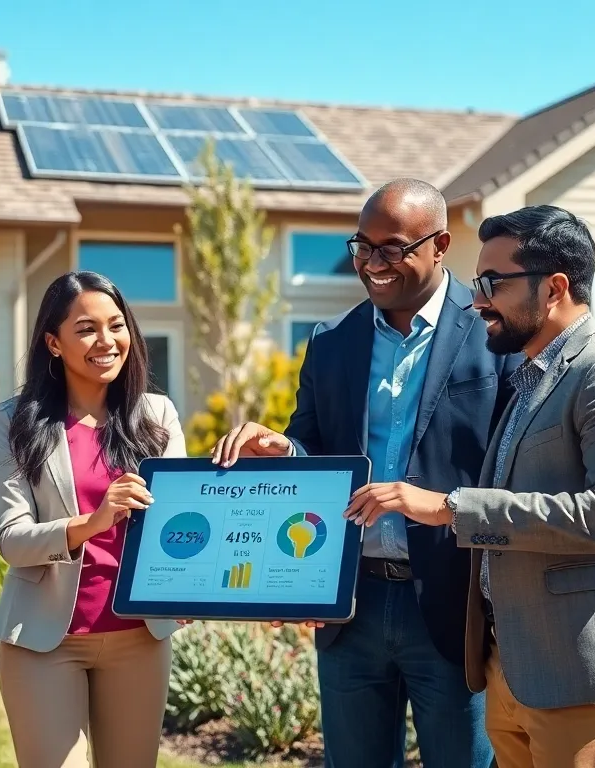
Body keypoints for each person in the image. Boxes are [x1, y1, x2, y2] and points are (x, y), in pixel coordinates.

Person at [344, 204, 595, 767]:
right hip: (515, 669)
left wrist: (451, 508)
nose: (477, 301)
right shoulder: (531, 376)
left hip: (579, 674)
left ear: (554, 288)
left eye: (493, 283)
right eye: (478, 283)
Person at [212, 179, 518, 767]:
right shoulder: (331, 343)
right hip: (351, 605)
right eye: (362, 247)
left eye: (392, 248)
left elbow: (512, 464)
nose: (373, 264)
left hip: (454, 605)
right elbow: (314, 449)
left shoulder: (492, 335)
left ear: (440, 245)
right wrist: (285, 451)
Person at [0, 270, 186, 768]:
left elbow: (181, 524)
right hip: (45, 641)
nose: (107, 341)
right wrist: (92, 522)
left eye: (116, 325)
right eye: (87, 329)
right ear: (53, 343)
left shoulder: (157, 416)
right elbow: (12, 540)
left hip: (139, 637)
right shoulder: (15, 421)